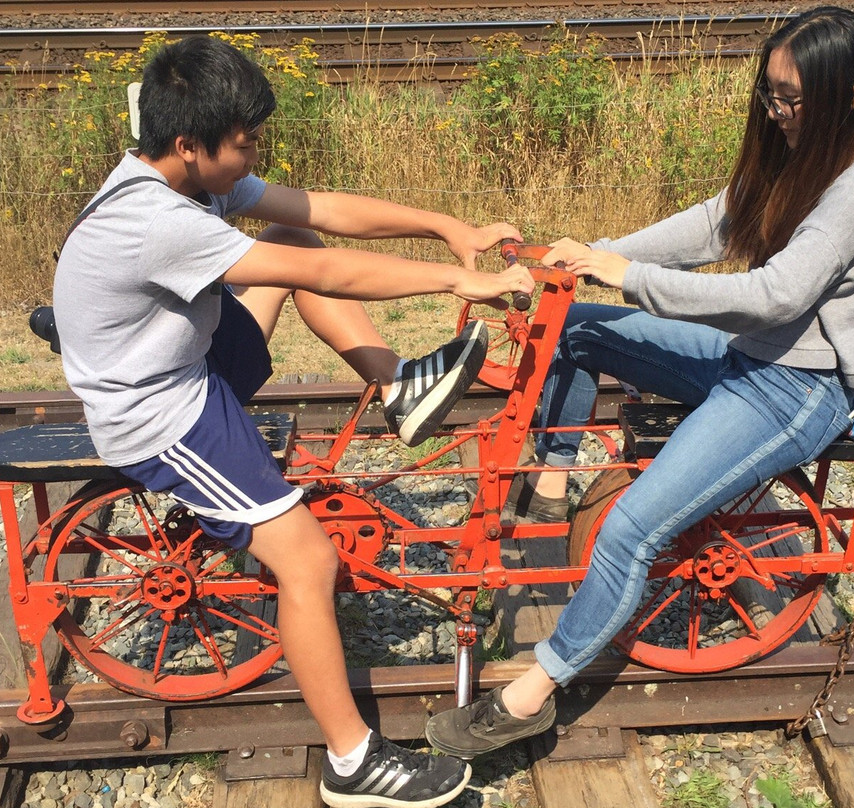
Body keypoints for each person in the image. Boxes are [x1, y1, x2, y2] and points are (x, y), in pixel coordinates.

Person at [52, 34, 534, 808]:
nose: (252, 157)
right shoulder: (156, 222)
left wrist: (449, 226)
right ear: (188, 145)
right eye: (244, 144)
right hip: (164, 413)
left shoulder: (184, 176)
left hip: (187, 351)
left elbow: (317, 214)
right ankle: (353, 763)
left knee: (287, 230)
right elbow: (323, 273)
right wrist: (458, 279)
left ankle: (394, 385)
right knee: (309, 562)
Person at [425, 5, 854, 758]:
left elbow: (775, 295)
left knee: (632, 529)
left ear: (849, 95)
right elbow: (719, 223)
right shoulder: (807, 150)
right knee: (575, 323)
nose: (778, 112)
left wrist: (634, 278)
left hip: (798, 389)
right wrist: (594, 256)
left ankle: (532, 694)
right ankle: (552, 489)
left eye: (793, 99)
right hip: (749, 355)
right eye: (771, 94)